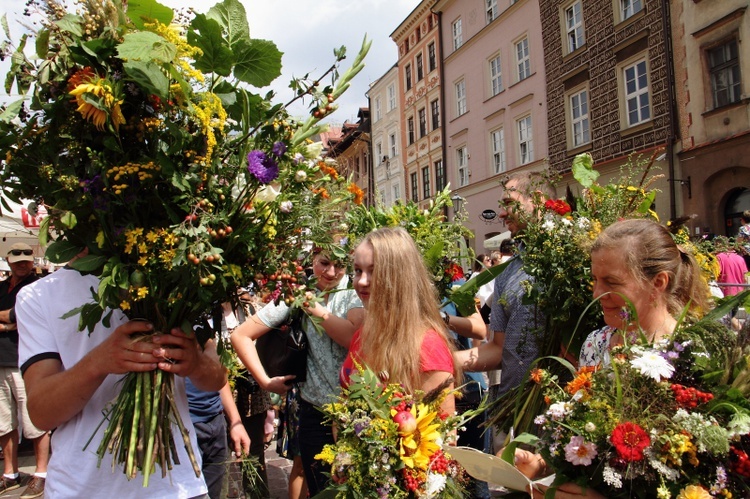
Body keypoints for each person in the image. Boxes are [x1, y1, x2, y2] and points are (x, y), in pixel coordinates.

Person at [514, 218, 709, 498]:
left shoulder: (691, 354)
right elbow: (584, 437)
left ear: (658, 282)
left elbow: (699, 475)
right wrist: (543, 465)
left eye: (611, 282)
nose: (596, 294)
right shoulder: (597, 342)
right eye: (595, 279)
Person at [16, 260, 227, 498]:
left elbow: (217, 377)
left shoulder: (172, 276)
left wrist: (196, 364)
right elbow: (41, 413)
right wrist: (97, 362)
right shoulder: (39, 295)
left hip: (179, 487)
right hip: (81, 489)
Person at [231, 249, 364, 497]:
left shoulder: (354, 290)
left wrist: (314, 307)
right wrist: (266, 381)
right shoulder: (299, 292)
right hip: (313, 412)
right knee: (319, 488)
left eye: (340, 265)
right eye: (324, 263)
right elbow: (240, 335)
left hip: (355, 413)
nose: (332, 272)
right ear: (312, 259)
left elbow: (352, 338)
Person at [455, 172, 554, 407]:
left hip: (559, 413)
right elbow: (499, 349)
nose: (501, 212)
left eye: (509, 203)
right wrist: (442, 360)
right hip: (513, 406)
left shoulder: (572, 260)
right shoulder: (506, 273)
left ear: (538, 200)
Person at [340, 227, 459, 417]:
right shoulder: (364, 334)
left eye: (373, 271)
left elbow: (441, 438)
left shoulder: (427, 347)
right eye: (357, 271)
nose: (362, 281)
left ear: (399, 277)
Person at [0, 243, 49, 499]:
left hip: (28, 362)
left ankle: (41, 473)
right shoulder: (2, 287)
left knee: (35, 421)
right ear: (8, 260)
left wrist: (9, 323)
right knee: (4, 422)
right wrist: (11, 321)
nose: (22, 262)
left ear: (33, 260)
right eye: (16, 257)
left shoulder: (40, 285)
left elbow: (19, 315)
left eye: (26, 258)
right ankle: (10, 473)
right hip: (1, 361)